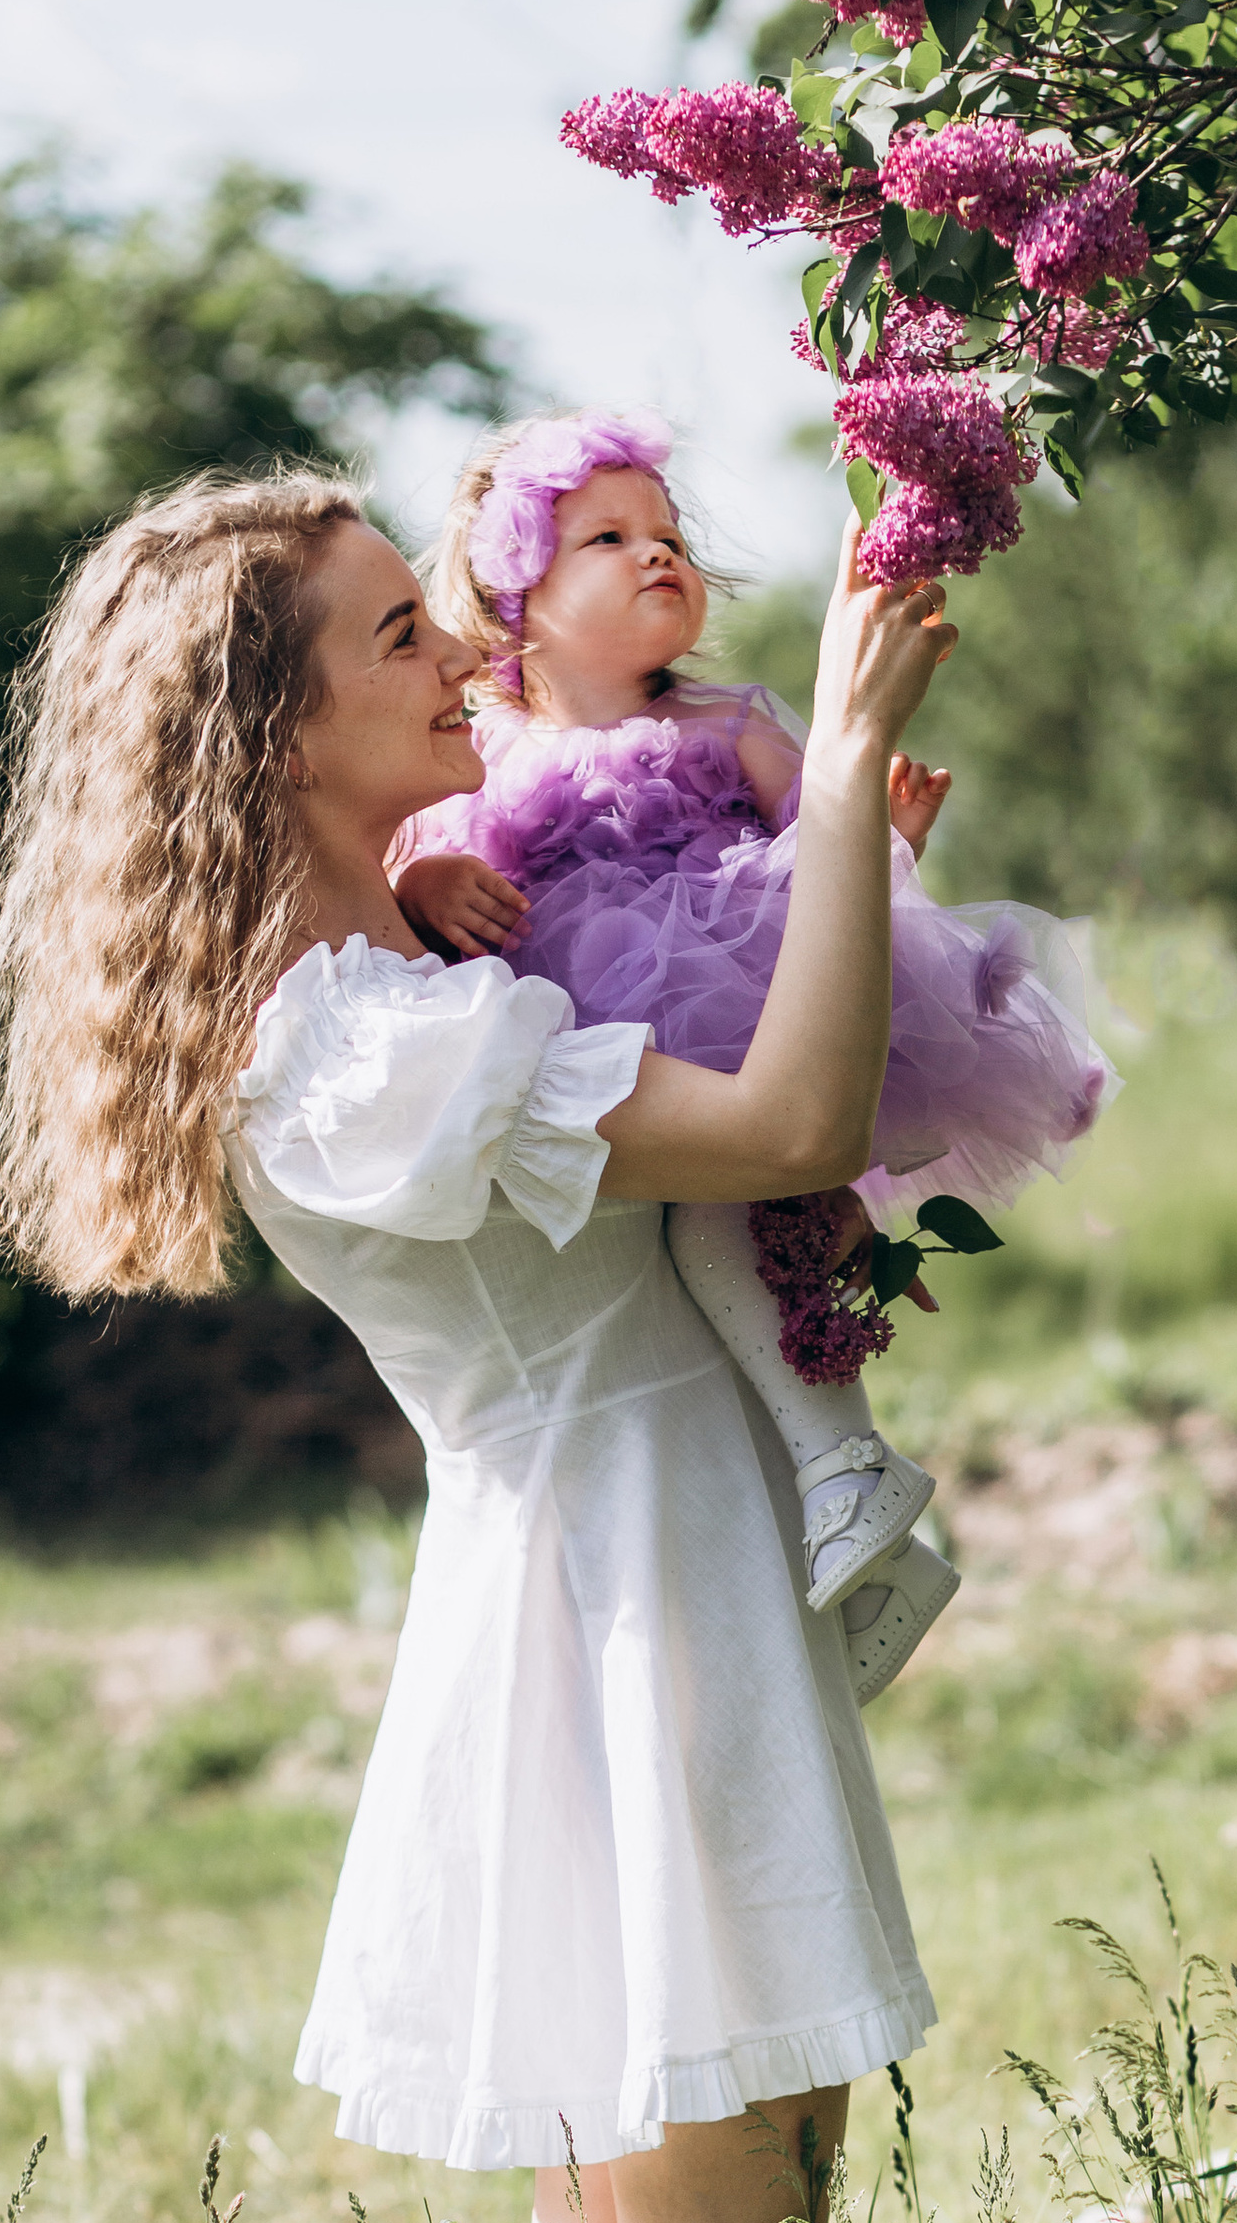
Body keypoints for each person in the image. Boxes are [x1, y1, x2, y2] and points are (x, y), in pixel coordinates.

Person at [0, 465, 958, 2223]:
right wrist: (838, 742)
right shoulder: (374, 1051)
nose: (450, 654)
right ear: (267, 728)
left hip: (587, 1577)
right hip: (633, 1600)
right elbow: (793, 1107)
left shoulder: (388, 979)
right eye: (394, 629)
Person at [394, 413, 1112, 1690]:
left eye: (666, 534)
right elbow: (412, 869)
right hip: (597, 1036)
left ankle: (848, 1471)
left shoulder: (728, 720)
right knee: (697, 1274)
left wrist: (886, 841)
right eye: (607, 538)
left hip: (735, 1007)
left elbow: (826, 872)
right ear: (519, 597)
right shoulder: (480, 752)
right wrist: (434, 881)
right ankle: (845, 1521)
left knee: (734, 1226)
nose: (656, 553)